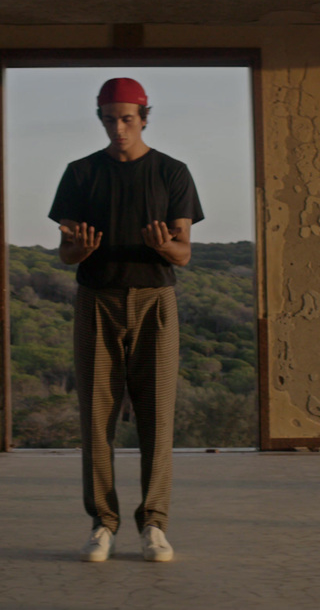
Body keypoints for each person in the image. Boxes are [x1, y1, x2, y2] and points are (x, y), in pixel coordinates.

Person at [48, 77, 204, 563]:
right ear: (100, 119)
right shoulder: (79, 173)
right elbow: (65, 255)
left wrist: (163, 246)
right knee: (97, 418)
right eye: (110, 119)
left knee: (157, 416)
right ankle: (103, 523)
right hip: (97, 299)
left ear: (143, 117)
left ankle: (154, 524)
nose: (119, 128)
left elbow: (182, 255)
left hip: (156, 301)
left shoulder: (171, 172)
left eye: (127, 119)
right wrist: (79, 249)